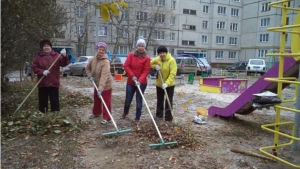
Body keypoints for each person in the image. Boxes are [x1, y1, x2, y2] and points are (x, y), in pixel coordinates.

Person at [32, 39, 69, 113]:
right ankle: (43, 114)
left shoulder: (57, 56)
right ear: (42, 47)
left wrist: (65, 56)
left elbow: (64, 63)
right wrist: (42, 72)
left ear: (51, 47)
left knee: (54, 100)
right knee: (42, 101)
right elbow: (34, 67)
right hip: (42, 83)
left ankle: (55, 115)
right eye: (45, 46)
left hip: (53, 82)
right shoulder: (38, 57)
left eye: (48, 46)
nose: (46, 47)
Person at [120, 37, 150, 125]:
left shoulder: (147, 58)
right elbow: (126, 66)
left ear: (144, 47)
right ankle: (125, 112)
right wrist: (132, 76)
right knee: (128, 99)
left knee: (139, 100)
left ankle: (137, 117)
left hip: (142, 83)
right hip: (131, 82)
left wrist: (140, 80)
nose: (141, 47)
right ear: (137, 46)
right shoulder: (131, 55)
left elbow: (146, 70)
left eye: (142, 46)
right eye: (139, 46)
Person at [86, 42, 113, 125]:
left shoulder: (105, 62)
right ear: (97, 49)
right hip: (96, 83)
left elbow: (104, 76)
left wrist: (101, 89)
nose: (101, 51)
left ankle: (107, 117)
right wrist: (90, 76)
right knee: (96, 98)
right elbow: (87, 68)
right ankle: (96, 112)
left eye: (103, 50)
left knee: (106, 101)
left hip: (106, 84)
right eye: (99, 49)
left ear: (105, 51)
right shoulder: (93, 59)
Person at [150, 46, 177, 122]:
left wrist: (167, 83)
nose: (162, 54)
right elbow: (149, 63)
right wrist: (155, 66)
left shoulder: (171, 61)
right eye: (160, 53)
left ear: (166, 52)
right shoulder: (158, 59)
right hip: (159, 84)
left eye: (163, 53)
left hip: (169, 85)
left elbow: (172, 74)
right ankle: (159, 116)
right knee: (160, 100)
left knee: (168, 101)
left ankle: (168, 118)